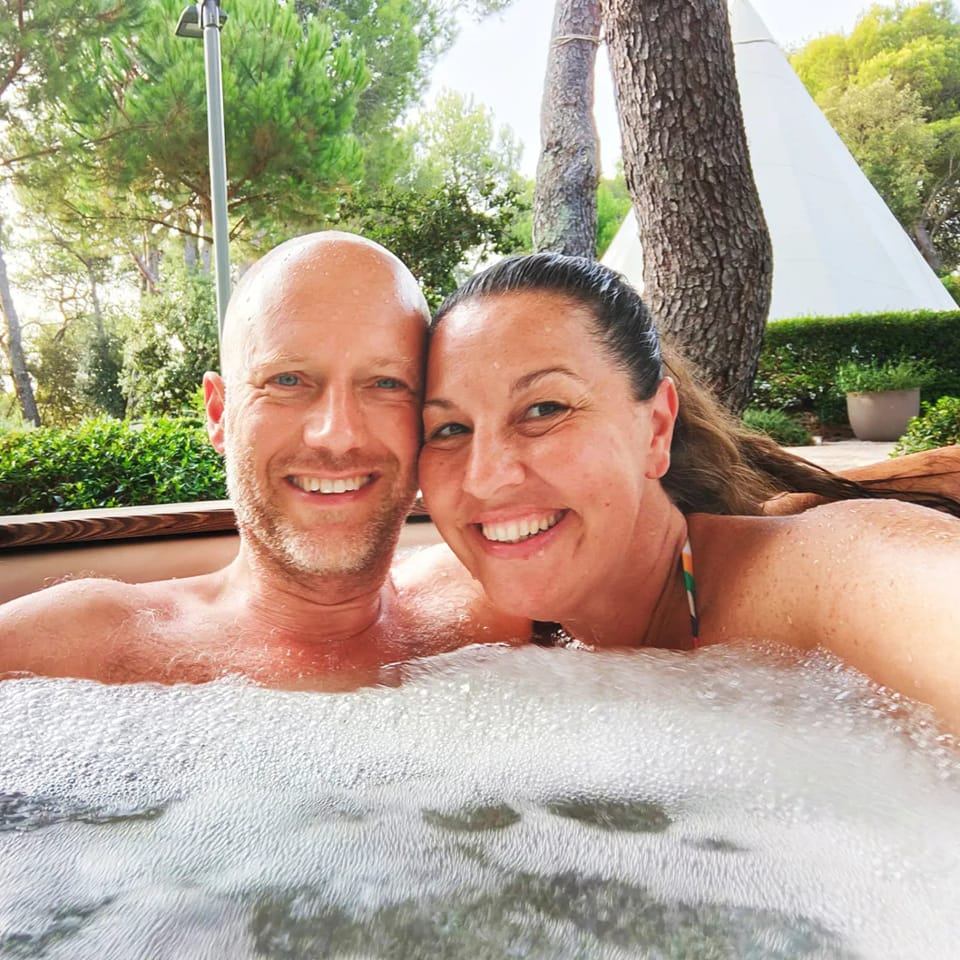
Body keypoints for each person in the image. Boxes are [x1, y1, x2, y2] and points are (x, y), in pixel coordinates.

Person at [417, 253, 960, 730]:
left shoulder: (821, 574)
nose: (484, 476)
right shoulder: (474, 624)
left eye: (544, 409)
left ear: (656, 428)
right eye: (449, 429)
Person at [0, 232, 527, 688]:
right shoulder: (74, 646)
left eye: (386, 383)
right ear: (219, 413)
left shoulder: (498, 605)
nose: (336, 435)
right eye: (288, 380)